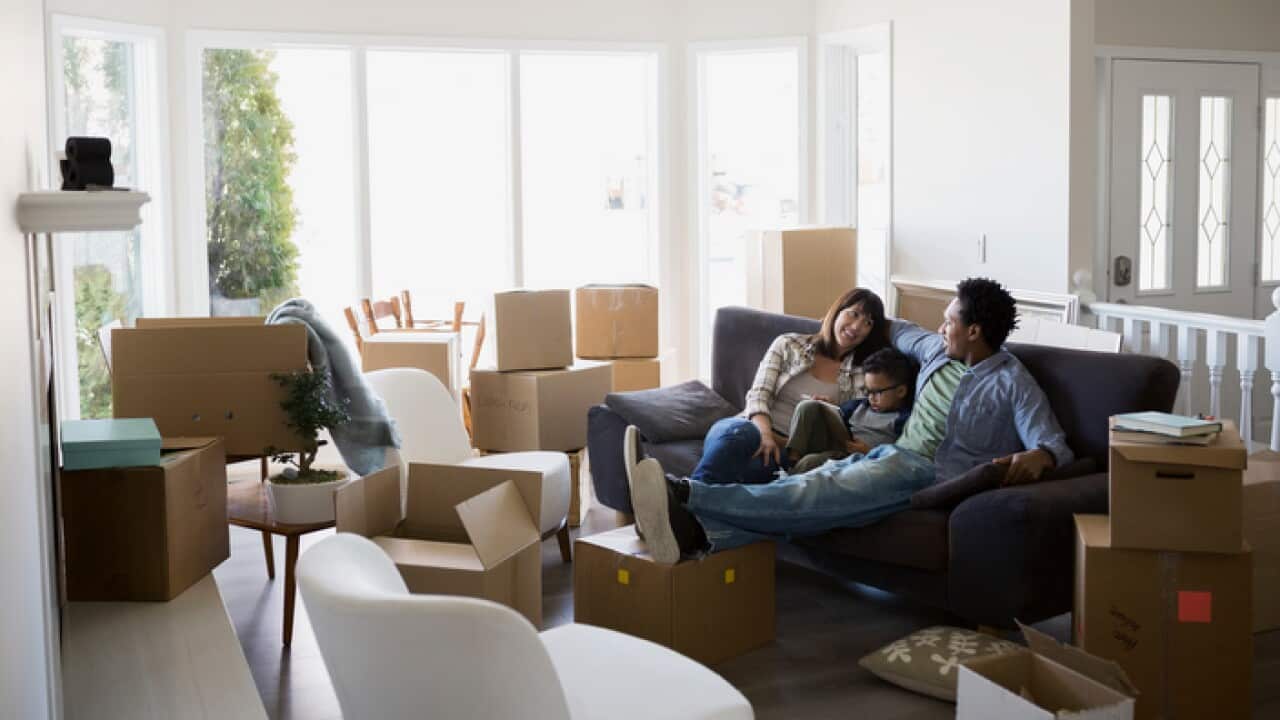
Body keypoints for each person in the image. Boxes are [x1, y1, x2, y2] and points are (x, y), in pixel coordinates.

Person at [628, 277, 1075, 564]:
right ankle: (700, 535)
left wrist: (1041, 454)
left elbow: (1054, 443)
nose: (941, 329)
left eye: (949, 321)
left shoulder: (1014, 382)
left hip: (928, 473)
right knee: (807, 497)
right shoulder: (935, 351)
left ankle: (683, 494)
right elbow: (893, 326)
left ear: (973, 331)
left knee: (811, 490)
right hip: (890, 456)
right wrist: (851, 322)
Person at [683, 288, 891, 488]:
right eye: (853, 314)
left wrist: (831, 411)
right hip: (749, 426)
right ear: (837, 311)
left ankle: (685, 497)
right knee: (735, 435)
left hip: (788, 450)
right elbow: (759, 394)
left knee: (745, 473)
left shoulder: (862, 375)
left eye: (867, 323)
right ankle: (691, 494)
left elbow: (847, 430)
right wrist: (765, 435)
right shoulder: (788, 344)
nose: (856, 326)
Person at [784, 347, 915, 473]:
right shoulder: (859, 406)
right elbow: (836, 417)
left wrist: (869, 451)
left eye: (877, 392)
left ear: (901, 391)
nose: (871, 398)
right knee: (808, 405)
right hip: (841, 444)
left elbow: (899, 457)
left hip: (858, 460)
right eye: (867, 391)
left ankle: (789, 479)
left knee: (809, 462)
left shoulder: (903, 420)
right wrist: (826, 407)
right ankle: (792, 460)